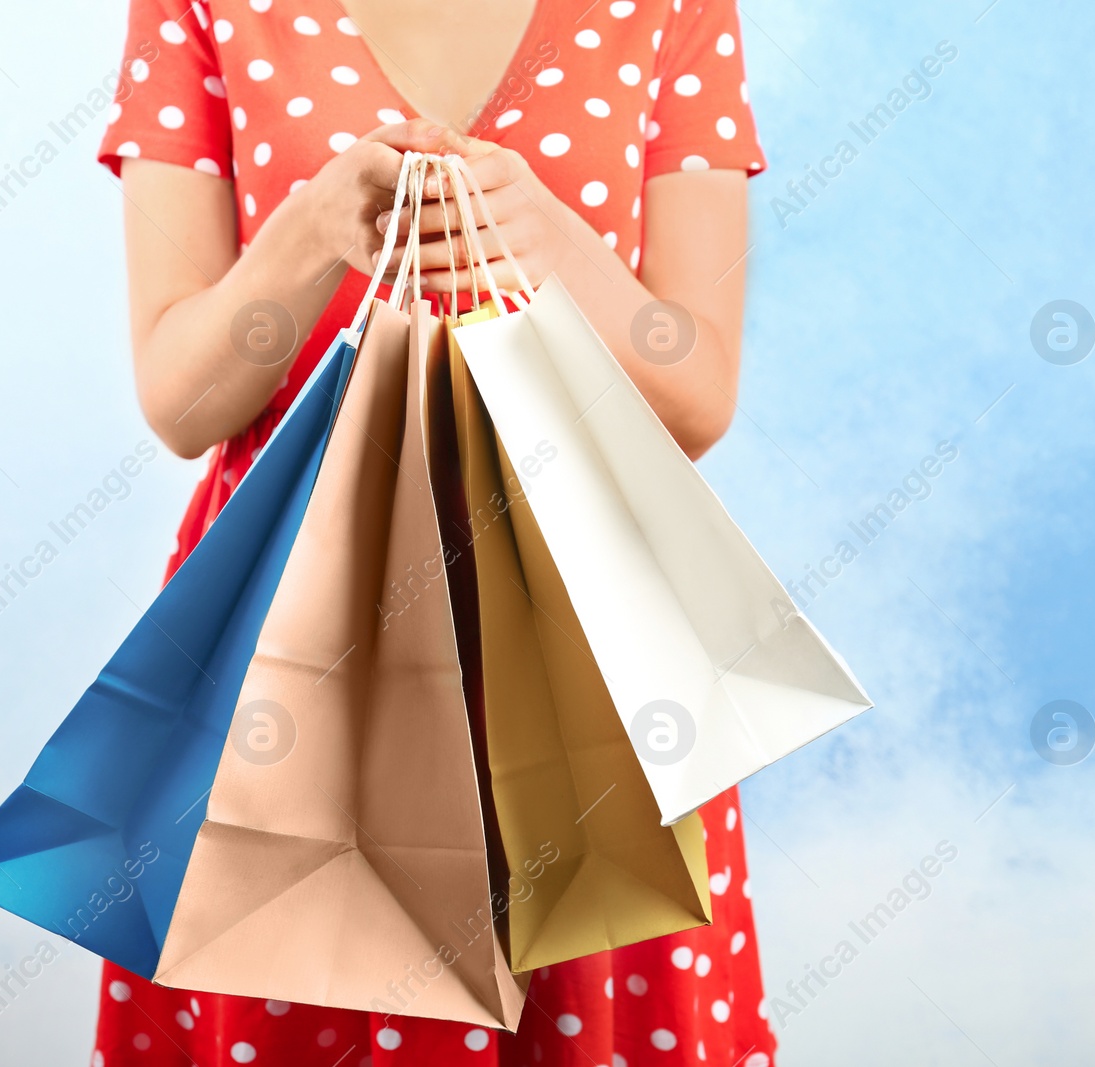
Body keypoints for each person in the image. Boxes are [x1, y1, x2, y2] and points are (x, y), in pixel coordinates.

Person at [93, 0, 774, 1062]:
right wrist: (315, 228)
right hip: (295, 651)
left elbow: (694, 399)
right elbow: (182, 404)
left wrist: (548, 240)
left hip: (585, 658)